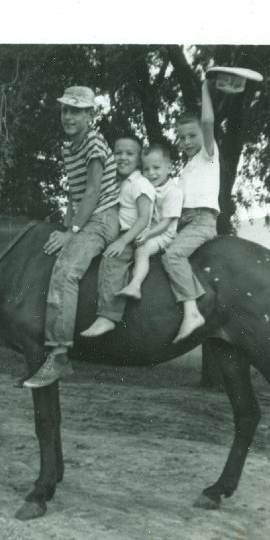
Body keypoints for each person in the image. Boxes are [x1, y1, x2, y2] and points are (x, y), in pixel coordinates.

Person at [23, 86, 120, 389]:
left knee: (66, 271)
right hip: (84, 216)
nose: (69, 116)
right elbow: (73, 195)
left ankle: (60, 352)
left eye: (76, 111)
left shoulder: (93, 142)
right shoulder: (69, 147)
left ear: (91, 115)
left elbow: (92, 192)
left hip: (103, 218)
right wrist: (66, 224)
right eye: (65, 110)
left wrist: (71, 232)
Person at [161, 79, 221, 343]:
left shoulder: (208, 156)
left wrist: (206, 89)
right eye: (181, 137)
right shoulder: (186, 168)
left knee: (173, 256)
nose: (186, 141)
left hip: (201, 222)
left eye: (192, 135)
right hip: (185, 223)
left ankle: (192, 310)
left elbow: (207, 121)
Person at [80, 135, 155, 337]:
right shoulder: (121, 183)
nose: (123, 157)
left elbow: (143, 218)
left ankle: (108, 316)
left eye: (129, 153)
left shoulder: (140, 184)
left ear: (139, 159)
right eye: (118, 152)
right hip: (119, 231)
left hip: (132, 234)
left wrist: (123, 241)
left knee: (112, 260)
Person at [116, 142, 183, 300]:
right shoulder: (151, 188)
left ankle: (135, 285)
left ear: (169, 168)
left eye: (156, 168)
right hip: (152, 231)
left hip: (164, 234)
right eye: (146, 169)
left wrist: (147, 234)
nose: (151, 173)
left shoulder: (173, 192)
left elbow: (166, 223)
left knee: (142, 250)